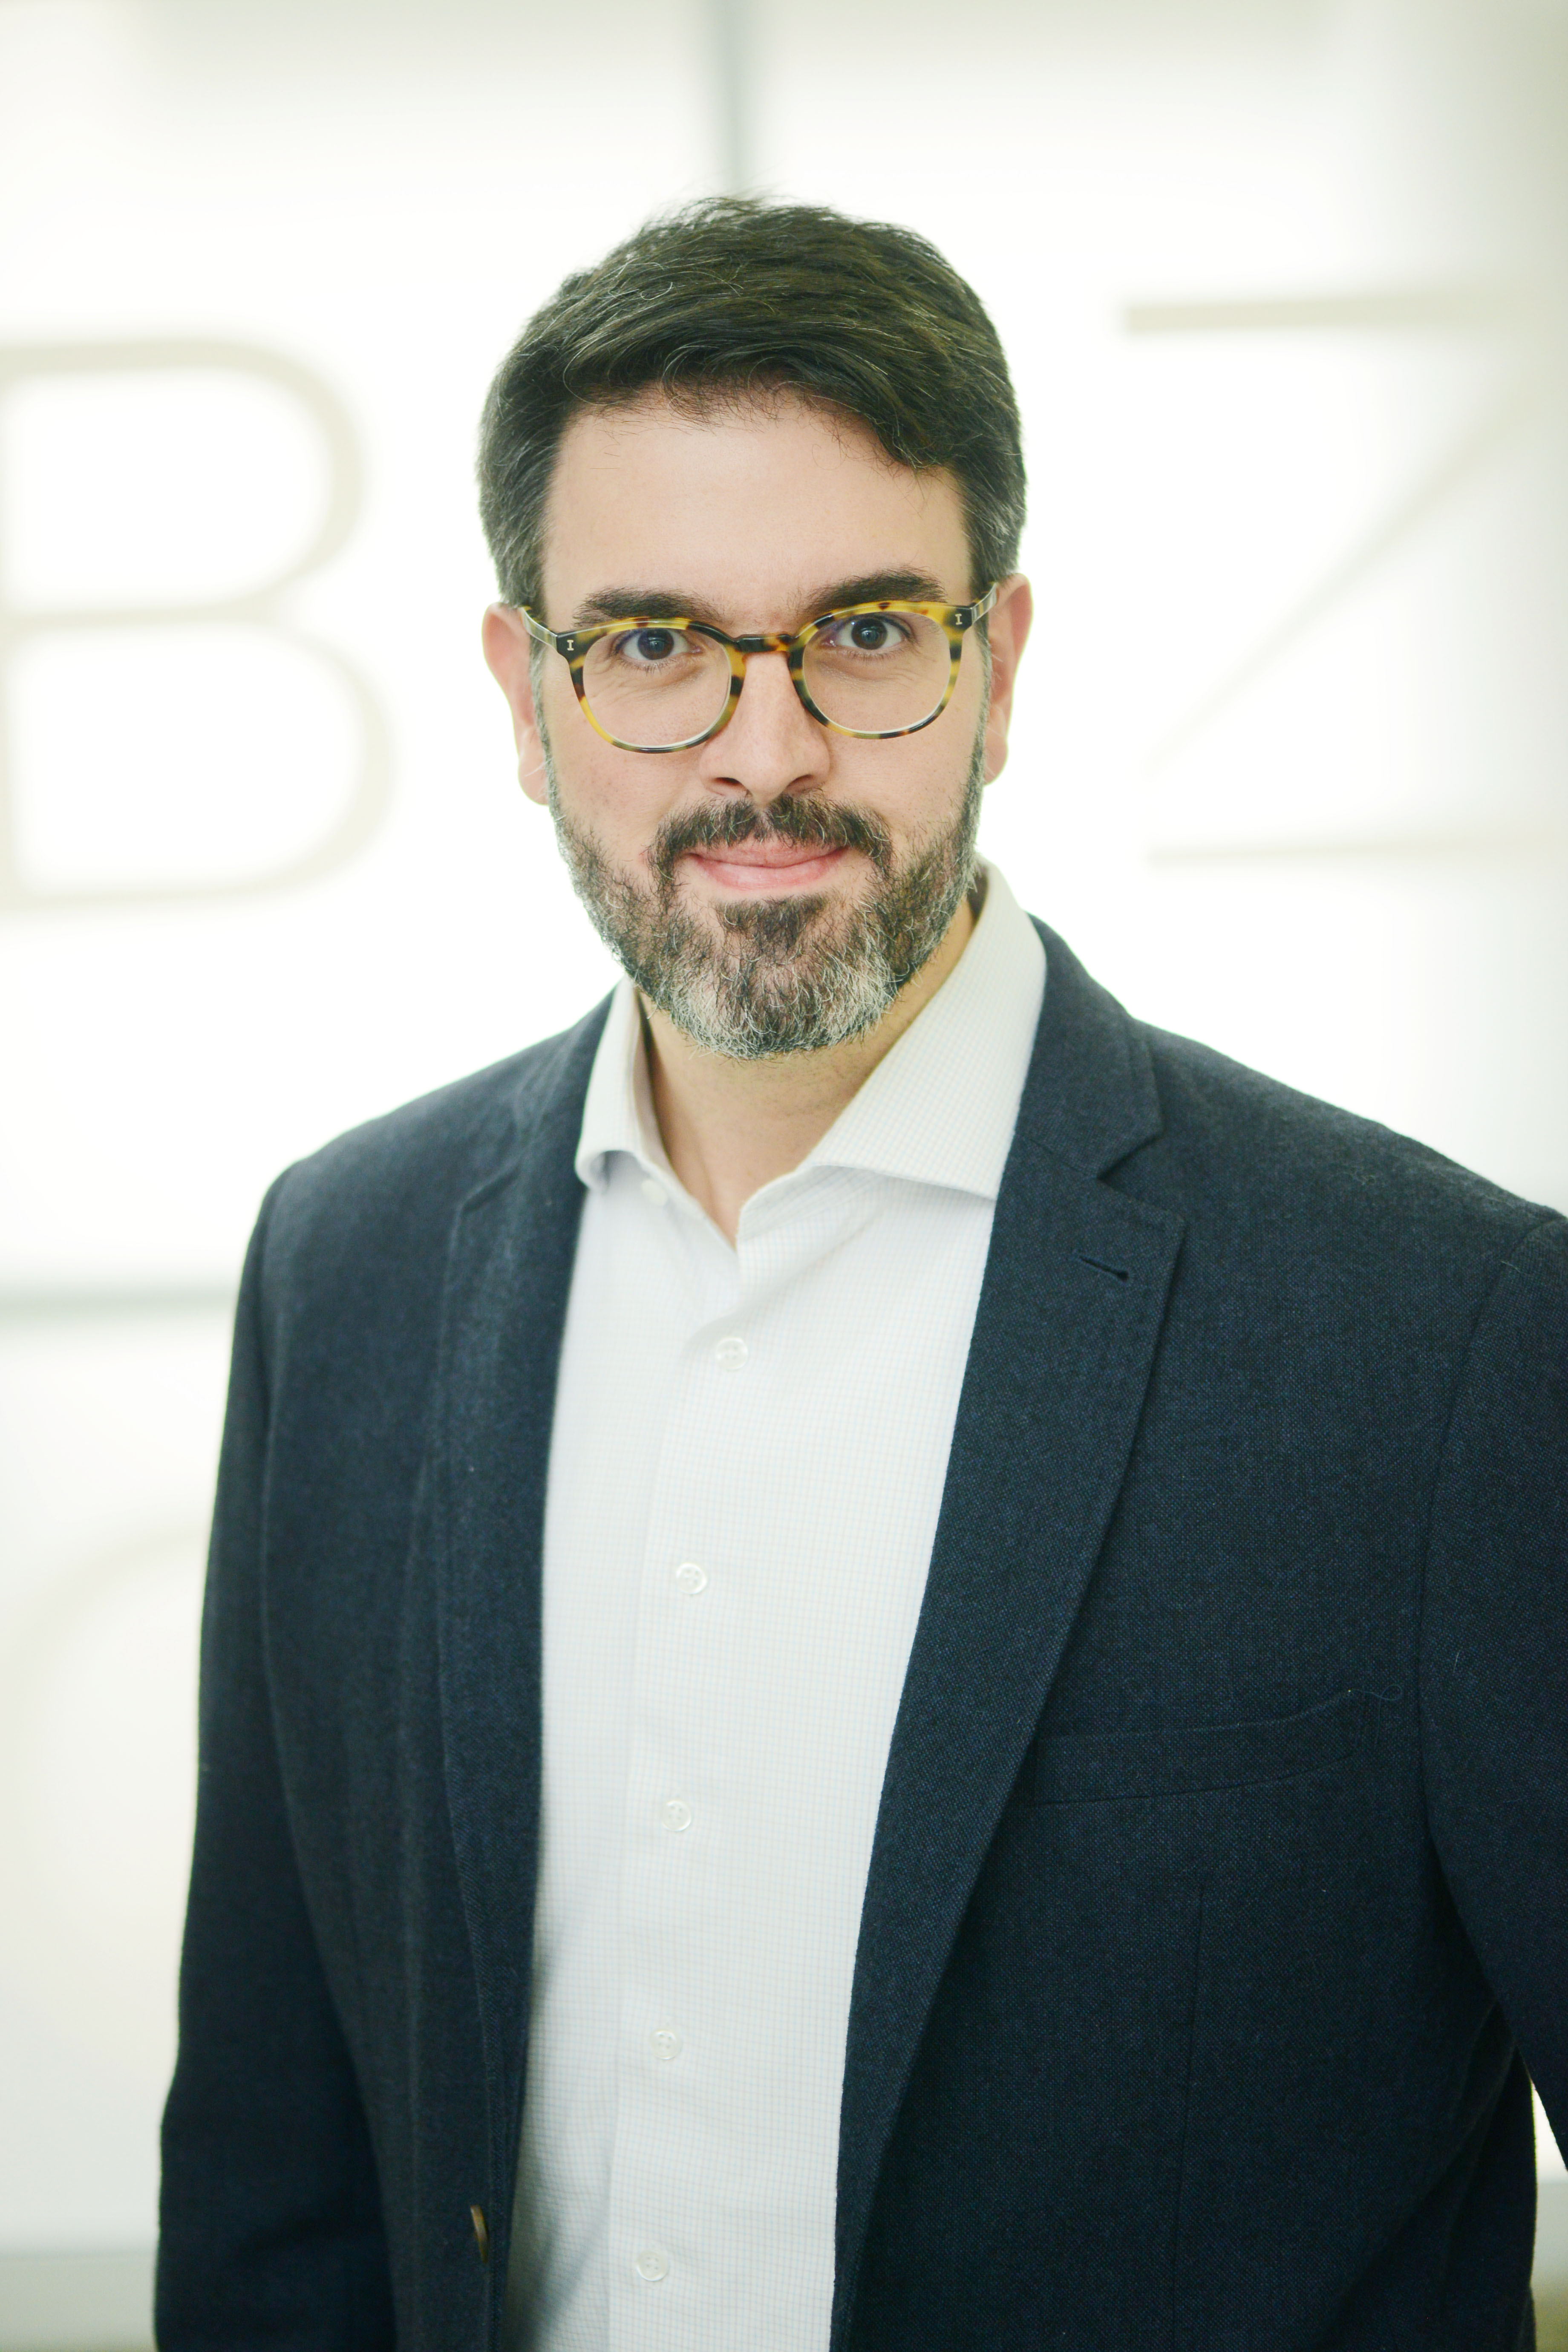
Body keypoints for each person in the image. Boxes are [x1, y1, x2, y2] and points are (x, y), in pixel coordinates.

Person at [156, 198, 1566, 2352]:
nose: (763, 752)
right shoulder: (338, 1274)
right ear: (524, 698)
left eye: (866, 632)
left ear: (997, 669)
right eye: (652, 645)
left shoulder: (1443, 1341)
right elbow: (278, 2188)